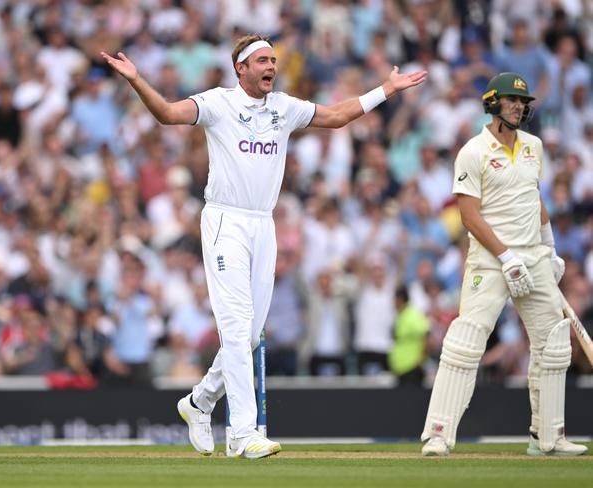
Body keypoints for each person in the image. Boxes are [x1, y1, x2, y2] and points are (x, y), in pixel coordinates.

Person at [102, 34, 426, 459]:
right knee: (235, 327)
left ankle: (199, 402)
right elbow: (166, 114)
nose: (271, 65)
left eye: (273, 59)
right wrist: (137, 80)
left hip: (263, 224)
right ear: (241, 68)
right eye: (262, 60)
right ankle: (242, 432)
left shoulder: (284, 107)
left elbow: (336, 116)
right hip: (224, 220)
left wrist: (386, 89)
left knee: (250, 336)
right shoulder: (218, 103)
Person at [420, 72, 587, 457]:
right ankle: (438, 434)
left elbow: (534, 197)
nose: (518, 106)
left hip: (533, 256)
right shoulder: (473, 151)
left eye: (523, 102)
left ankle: (547, 438)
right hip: (490, 260)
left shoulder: (534, 146)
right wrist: (505, 256)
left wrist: (549, 246)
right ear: (492, 102)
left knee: (554, 344)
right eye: (511, 100)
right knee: (465, 343)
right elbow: (468, 216)